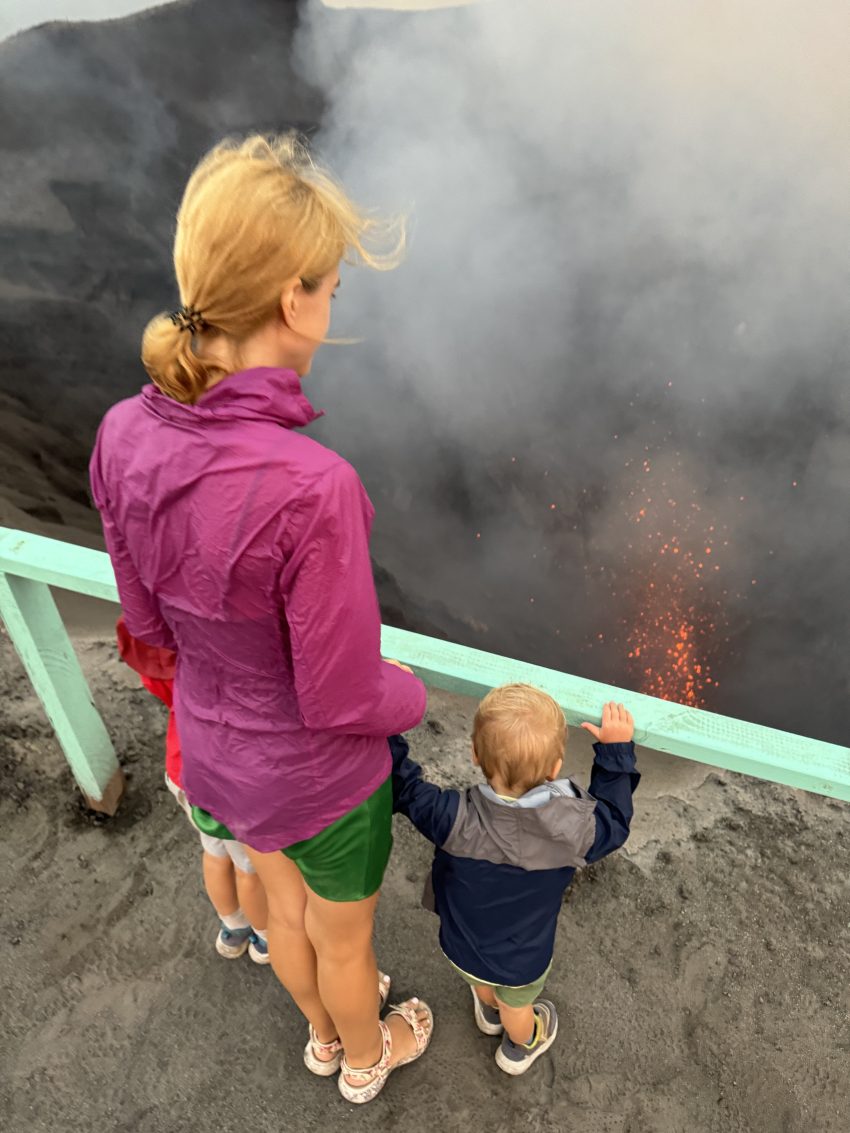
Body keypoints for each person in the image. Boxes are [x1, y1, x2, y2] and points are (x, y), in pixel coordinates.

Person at [90, 135, 432, 1104]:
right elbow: (340, 693)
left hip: (216, 751)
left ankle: (321, 1032)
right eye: (330, 285)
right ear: (294, 300)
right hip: (319, 774)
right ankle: (367, 1053)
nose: (332, 305)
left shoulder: (122, 432)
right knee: (345, 932)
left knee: (282, 909)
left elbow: (144, 617)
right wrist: (415, 689)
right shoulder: (312, 488)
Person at [390, 685, 639, 1076]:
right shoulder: (575, 831)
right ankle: (521, 1046)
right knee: (518, 1006)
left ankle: (488, 1010)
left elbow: (404, 787)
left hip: (461, 945)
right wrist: (615, 752)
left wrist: (387, 717)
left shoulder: (450, 817)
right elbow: (615, 820)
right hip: (523, 958)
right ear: (556, 767)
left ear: (474, 753)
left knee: (485, 984)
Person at [115, 617, 269, 962]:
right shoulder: (215, 663)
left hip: (182, 771)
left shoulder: (160, 667)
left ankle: (233, 930)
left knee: (214, 853)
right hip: (226, 783)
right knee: (250, 867)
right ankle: (265, 937)